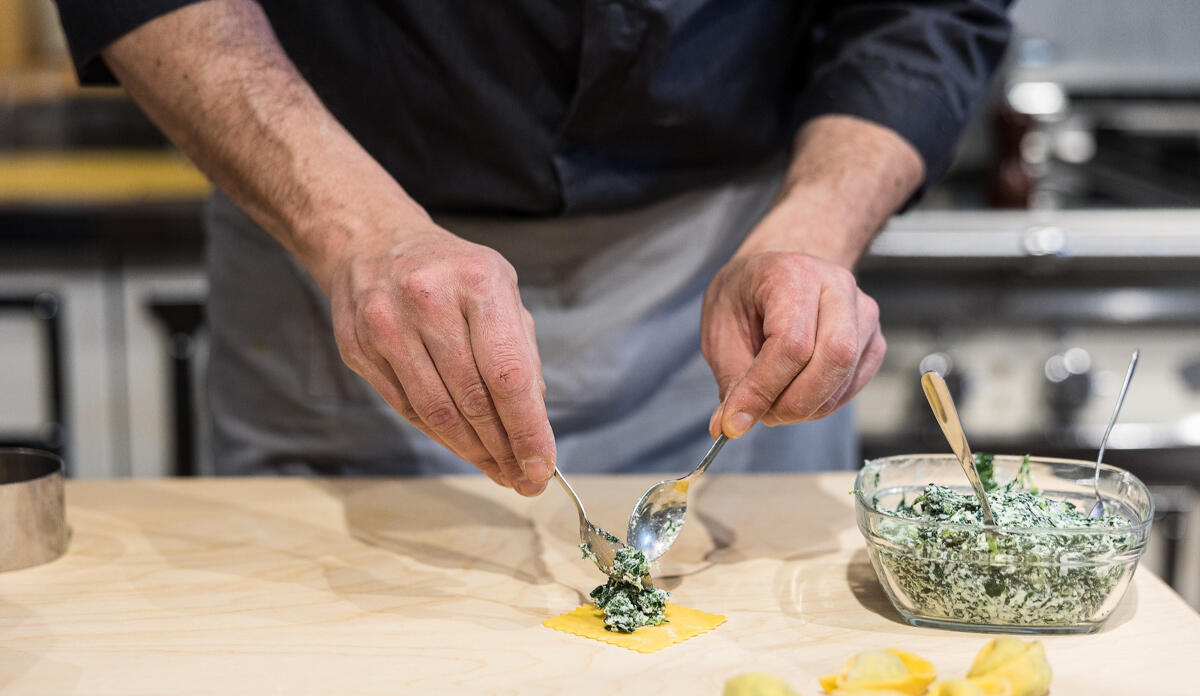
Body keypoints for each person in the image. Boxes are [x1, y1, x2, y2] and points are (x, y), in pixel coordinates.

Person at [55, 1, 1011, 495]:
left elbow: (923, 9)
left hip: (724, 269)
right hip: (342, 244)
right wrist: (355, 230)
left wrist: (813, 231)